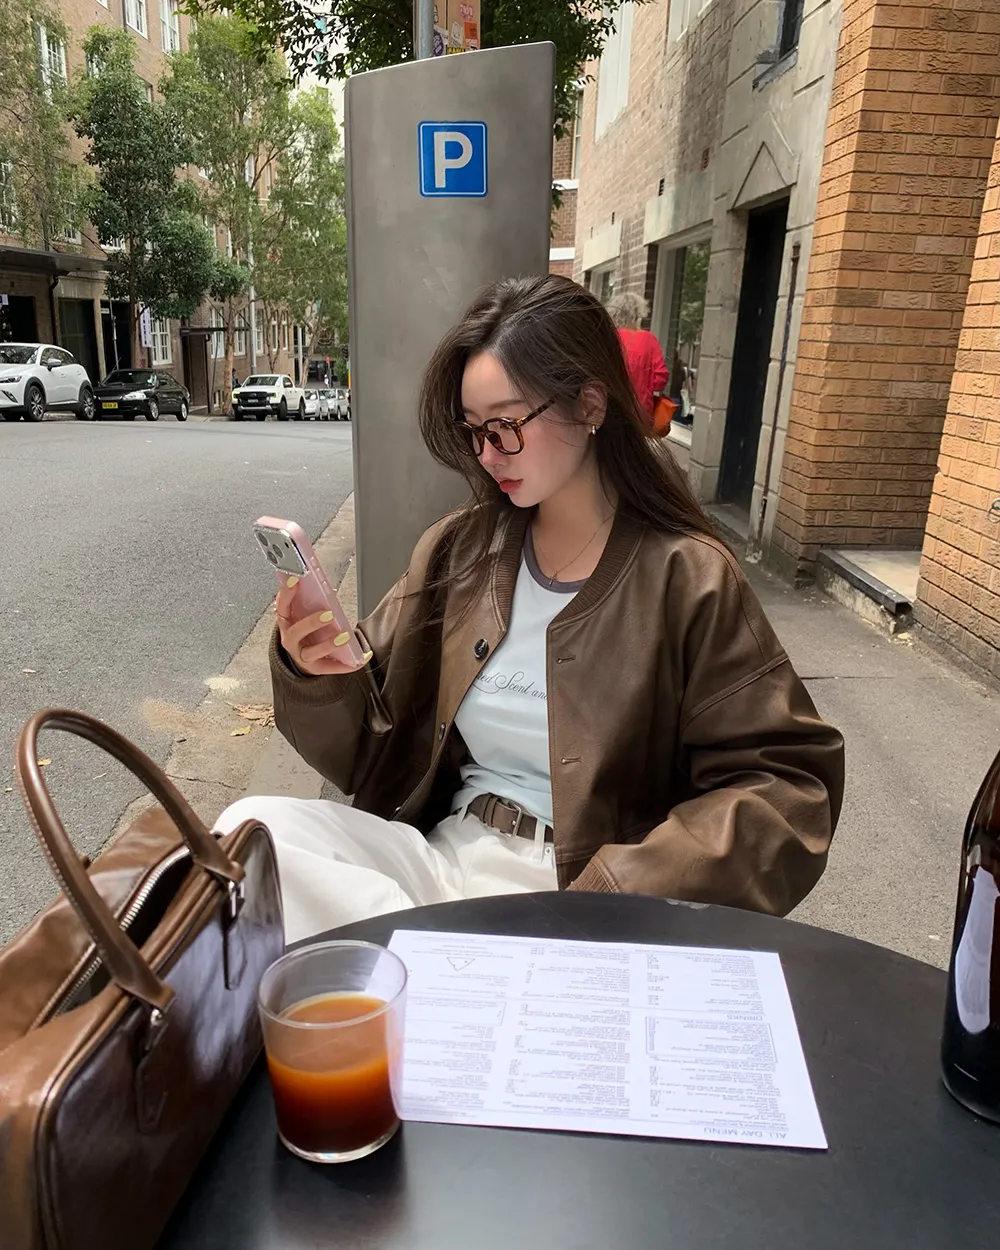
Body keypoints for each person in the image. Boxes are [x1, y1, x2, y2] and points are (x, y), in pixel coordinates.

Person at [215, 275, 844, 942]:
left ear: (590, 403)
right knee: (250, 837)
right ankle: (437, 960)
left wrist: (626, 888)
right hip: (442, 861)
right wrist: (318, 672)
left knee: (394, 947)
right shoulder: (462, 550)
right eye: (474, 430)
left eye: (507, 426)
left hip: (577, 900)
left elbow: (787, 788)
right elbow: (373, 749)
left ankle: (431, 962)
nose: (488, 455)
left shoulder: (687, 576)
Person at [606, 292, 670, 420]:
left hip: (611, 408)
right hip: (641, 412)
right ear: (637, 314)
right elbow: (660, 380)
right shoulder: (649, 339)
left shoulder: (609, 337)